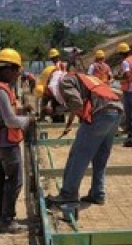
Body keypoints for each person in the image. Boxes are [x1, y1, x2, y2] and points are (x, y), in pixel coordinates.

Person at [44, 65, 123, 215]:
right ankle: (97, 193)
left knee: (78, 154)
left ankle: (68, 194)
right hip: (116, 110)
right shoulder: (80, 77)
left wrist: (59, 111)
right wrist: (69, 124)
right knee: (100, 156)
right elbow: (78, 102)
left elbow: (77, 104)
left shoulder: (64, 82)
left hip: (101, 113)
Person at [0, 48, 34, 234]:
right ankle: (7, 220)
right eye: (17, 70)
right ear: (9, 69)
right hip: (5, 143)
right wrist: (28, 121)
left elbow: (3, 114)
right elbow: (10, 121)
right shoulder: (0, 91)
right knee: (14, 180)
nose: (18, 74)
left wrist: (20, 110)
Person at [116, 41, 132, 147]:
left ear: (121, 53)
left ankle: (131, 135)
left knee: (129, 111)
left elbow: (126, 75)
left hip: (129, 88)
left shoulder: (125, 62)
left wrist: (117, 78)